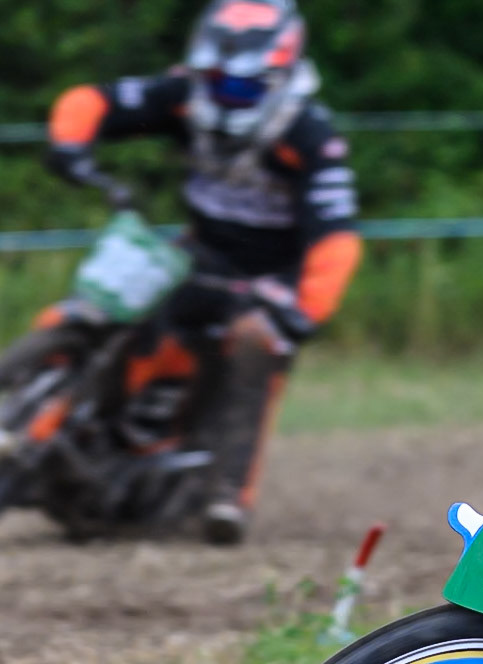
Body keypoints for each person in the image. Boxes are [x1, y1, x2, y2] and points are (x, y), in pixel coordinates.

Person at [39, 0, 360, 543]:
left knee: (256, 343)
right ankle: (54, 424)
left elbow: (335, 237)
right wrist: (70, 144)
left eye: (242, 89)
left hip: (268, 280)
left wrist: (305, 309)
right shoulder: (182, 96)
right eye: (216, 83)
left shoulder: (309, 134)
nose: (225, 96)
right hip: (195, 255)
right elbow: (92, 100)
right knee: (114, 301)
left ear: (277, 77)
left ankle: (227, 496)